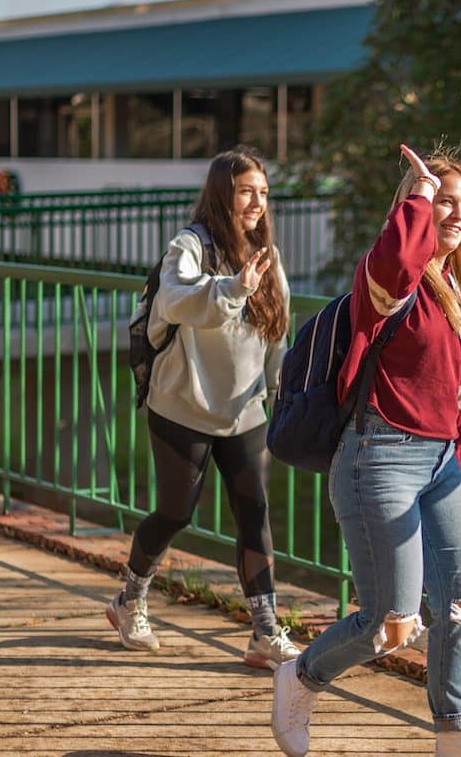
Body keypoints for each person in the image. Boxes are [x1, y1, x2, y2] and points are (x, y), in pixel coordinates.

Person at [270, 145, 461, 757]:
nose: (457, 214)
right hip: (379, 456)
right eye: (444, 202)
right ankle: (300, 677)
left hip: (441, 463)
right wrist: (420, 193)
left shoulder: (456, 294)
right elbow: (399, 257)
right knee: (391, 625)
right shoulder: (388, 285)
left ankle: (454, 733)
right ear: (413, 208)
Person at [106, 147, 300, 672]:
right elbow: (175, 301)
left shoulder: (267, 254)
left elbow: (278, 324)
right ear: (222, 193)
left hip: (243, 408)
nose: (257, 201)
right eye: (245, 191)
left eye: (262, 191)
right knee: (176, 511)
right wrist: (234, 287)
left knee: (254, 513)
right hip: (182, 404)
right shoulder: (189, 246)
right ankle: (129, 602)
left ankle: (264, 632)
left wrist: (280, 381)